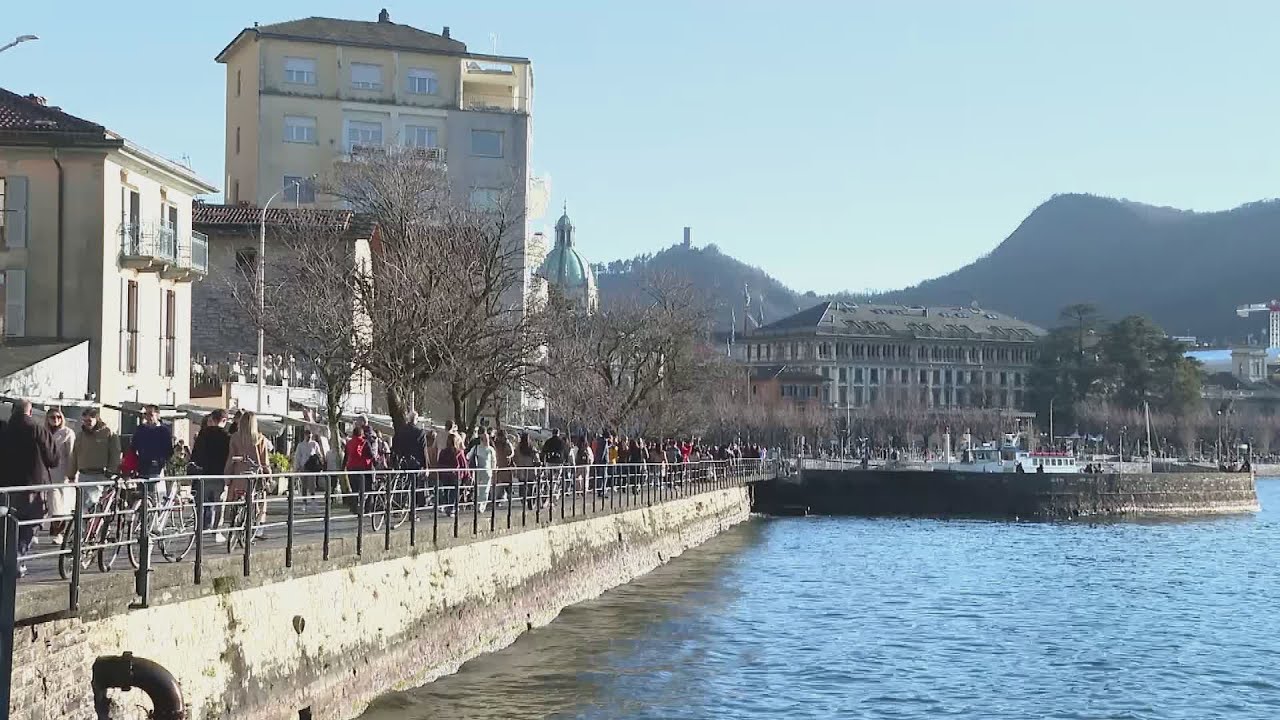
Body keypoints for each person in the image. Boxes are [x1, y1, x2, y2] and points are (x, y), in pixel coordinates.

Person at [0, 399, 59, 575]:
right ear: (30, 411)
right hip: (32, 485)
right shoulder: (37, 429)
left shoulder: (4, 429)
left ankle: (7, 560)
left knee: (8, 524)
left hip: (7, 486)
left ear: (13, 411)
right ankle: (17, 559)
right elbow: (53, 459)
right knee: (31, 522)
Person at [225, 411, 272, 540]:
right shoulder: (260, 439)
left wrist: (227, 474)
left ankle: (234, 524)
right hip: (255, 476)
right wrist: (268, 476)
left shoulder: (235, 438)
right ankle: (258, 527)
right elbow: (264, 461)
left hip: (238, 475)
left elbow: (230, 458)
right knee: (259, 501)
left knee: (236, 500)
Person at [69, 408, 121, 519]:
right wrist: (71, 474)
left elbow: (115, 453)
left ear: (96, 419)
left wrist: (111, 470)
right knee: (82, 505)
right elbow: (75, 455)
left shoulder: (108, 433)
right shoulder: (80, 435)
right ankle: (83, 527)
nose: (86, 423)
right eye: (84, 421)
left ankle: (93, 524)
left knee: (92, 503)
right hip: (83, 474)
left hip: (100, 474)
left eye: (89, 421)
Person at [190, 409, 232, 540]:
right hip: (219, 474)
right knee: (219, 504)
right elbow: (229, 456)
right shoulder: (227, 437)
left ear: (212, 419)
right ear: (224, 420)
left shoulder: (202, 434)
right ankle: (216, 531)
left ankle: (200, 530)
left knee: (201, 504)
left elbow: (195, 454)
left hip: (203, 473)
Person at [45, 408, 76, 545]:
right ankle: (36, 529)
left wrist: (72, 473)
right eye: (52, 417)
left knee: (58, 505)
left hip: (61, 473)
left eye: (58, 417)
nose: (55, 420)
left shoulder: (67, 433)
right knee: (46, 504)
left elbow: (71, 455)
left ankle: (59, 533)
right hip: (45, 473)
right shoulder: (44, 432)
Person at [130, 404, 173, 502]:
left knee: (153, 492)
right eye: (146, 414)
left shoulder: (164, 431)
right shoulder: (141, 429)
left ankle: (155, 507)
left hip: (156, 466)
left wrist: (161, 461)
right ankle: (143, 510)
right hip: (142, 465)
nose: (148, 417)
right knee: (142, 494)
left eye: (151, 414)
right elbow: (133, 447)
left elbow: (169, 450)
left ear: (158, 415)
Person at [436, 432, 468, 515]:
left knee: (446, 491)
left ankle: (447, 507)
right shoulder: (459, 452)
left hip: (445, 474)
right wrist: (467, 475)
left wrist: (440, 473)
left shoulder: (443, 452)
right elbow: (464, 464)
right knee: (454, 492)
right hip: (455, 475)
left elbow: (439, 463)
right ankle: (452, 508)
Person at [467, 431, 497, 513]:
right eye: (485, 439)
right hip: (482, 471)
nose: (487, 441)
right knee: (482, 489)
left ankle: (480, 506)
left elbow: (468, 456)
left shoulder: (478, 448)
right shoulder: (489, 449)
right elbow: (494, 461)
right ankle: (479, 505)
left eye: (487, 439)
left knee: (483, 489)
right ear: (481, 440)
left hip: (483, 471)